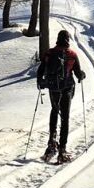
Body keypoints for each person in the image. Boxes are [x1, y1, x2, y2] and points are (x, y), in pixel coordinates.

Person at [36, 29, 86, 163]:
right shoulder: (72, 55)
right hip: (67, 89)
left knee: (54, 110)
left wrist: (40, 82)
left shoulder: (49, 53)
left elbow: (41, 69)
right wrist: (82, 75)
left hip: (53, 88)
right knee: (65, 117)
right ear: (68, 40)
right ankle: (62, 148)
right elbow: (78, 73)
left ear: (57, 39)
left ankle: (52, 143)